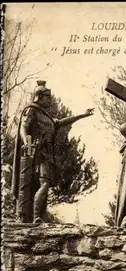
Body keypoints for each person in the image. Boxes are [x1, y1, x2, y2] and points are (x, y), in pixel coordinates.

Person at [11, 80, 94, 224]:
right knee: (43, 184)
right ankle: (35, 217)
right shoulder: (31, 110)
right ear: (39, 96)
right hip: (36, 153)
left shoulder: (46, 116)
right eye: (47, 97)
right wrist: (26, 142)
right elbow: (23, 128)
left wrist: (82, 115)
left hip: (46, 154)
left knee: (43, 184)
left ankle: (38, 215)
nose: (50, 99)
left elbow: (61, 122)